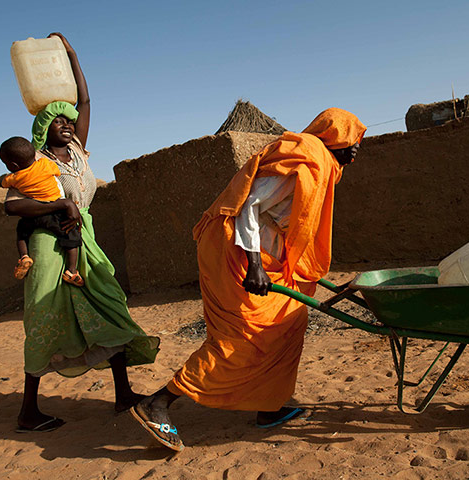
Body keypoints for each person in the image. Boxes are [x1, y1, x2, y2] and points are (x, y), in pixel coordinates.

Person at [131, 108, 366, 451]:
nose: (357, 146)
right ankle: (158, 402)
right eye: (352, 137)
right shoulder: (305, 159)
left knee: (288, 321)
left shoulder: (326, 167)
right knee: (242, 337)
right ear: (333, 134)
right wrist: (255, 264)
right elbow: (249, 205)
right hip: (236, 251)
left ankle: (269, 406)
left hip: (262, 251)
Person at [4, 33, 159, 433]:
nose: (68, 123)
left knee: (109, 303)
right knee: (44, 314)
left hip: (82, 240)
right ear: (43, 127)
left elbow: (85, 102)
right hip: (47, 243)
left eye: (70, 120)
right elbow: (12, 206)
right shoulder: (34, 163)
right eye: (59, 120)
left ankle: (123, 394)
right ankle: (27, 411)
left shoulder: (78, 150)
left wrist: (72, 55)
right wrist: (59, 205)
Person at [0, 136, 84, 286]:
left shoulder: (13, 178)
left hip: (34, 215)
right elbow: (56, 172)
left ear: (12, 164)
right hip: (57, 213)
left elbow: (4, 184)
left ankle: (24, 257)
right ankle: (72, 270)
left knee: (21, 234)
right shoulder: (45, 164)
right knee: (72, 238)